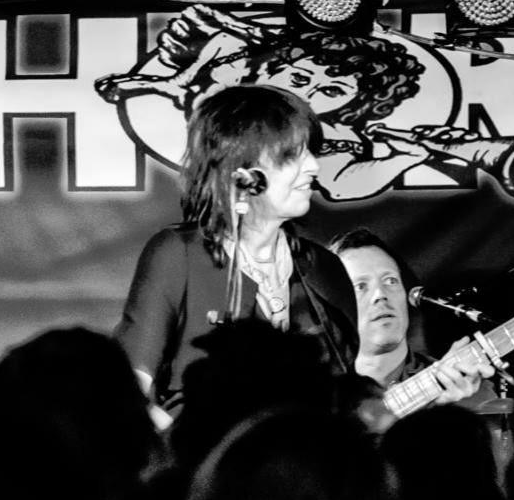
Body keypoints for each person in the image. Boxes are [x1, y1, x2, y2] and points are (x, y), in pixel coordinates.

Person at [115, 84, 358, 417]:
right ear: (240, 170)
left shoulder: (325, 268)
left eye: (312, 152)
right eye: (291, 155)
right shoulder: (178, 253)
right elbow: (128, 390)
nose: (314, 167)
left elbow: (347, 398)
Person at [329, 226, 491, 407]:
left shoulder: (464, 391)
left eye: (390, 281)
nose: (380, 294)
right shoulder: (314, 399)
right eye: (360, 286)